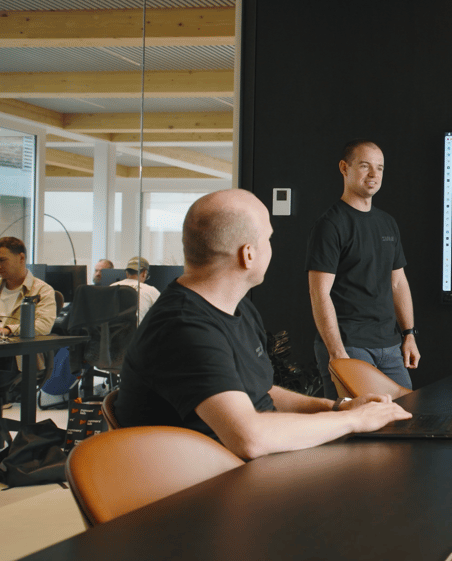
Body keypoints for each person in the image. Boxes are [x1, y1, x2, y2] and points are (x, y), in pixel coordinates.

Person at [114, 189, 411, 460]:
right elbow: (249, 438)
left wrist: (337, 407)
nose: (272, 246)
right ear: (248, 254)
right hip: (199, 494)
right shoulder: (184, 328)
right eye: (267, 238)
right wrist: (353, 421)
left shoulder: (237, 308)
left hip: (246, 470)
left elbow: (262, 393)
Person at [307, 139, 420, 397]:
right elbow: (319, 293)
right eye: (365, 166)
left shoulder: (387, 223)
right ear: (344, 168)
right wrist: (338, 354)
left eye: (379, 168)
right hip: (350, 345)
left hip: (390, 347)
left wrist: (409, 334)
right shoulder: (331, 225)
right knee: (356, 428)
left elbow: (398, 283)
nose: (373, 175)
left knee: (405, 418)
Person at [0, 237, 57, 400]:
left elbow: (43, 326)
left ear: (21, 258)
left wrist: (8, 329)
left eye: (2, 260)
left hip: (17, 358)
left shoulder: (42, 291)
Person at [110, 256, 161, 323]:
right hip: (138, 332)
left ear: (127, 273)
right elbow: (164, 314)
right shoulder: (151, 290)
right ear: (144, 273)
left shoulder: (112, 287)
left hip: (112, 332)